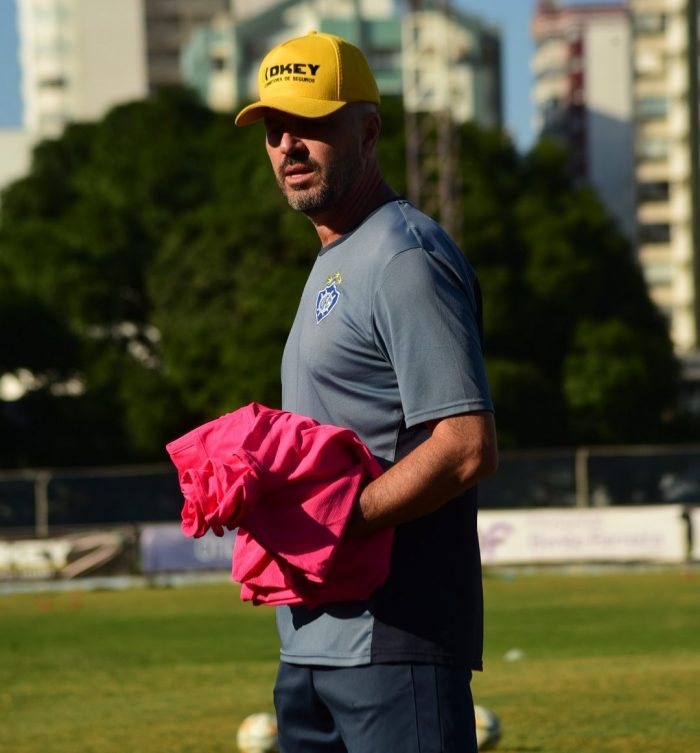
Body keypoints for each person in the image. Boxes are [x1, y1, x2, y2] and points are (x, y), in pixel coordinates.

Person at [235, 30, 498, 753]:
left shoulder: (403, 256)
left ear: (370, 130)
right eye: (273, 128)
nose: (287, 144)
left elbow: (466, 446)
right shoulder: (336, 255)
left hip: (397, 640)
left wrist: (335, 519)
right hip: (314, 641)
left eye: (312, 123)